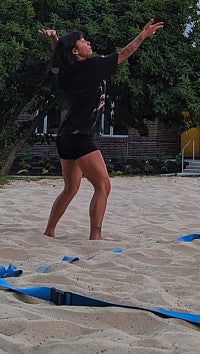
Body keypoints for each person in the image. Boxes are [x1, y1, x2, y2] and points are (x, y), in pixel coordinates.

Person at [40, 20, 164, 240]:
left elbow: (62, 54)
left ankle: (49, 231)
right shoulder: (92, 65)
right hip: (80, 137)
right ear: (76, 51)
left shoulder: (68, 71)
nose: (88, 42)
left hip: (65, 136)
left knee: (70, 189)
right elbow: (125, 53)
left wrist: (54, 39)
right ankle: (95, 236)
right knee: (103, 186)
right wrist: (143, 35)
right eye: (83, 41)